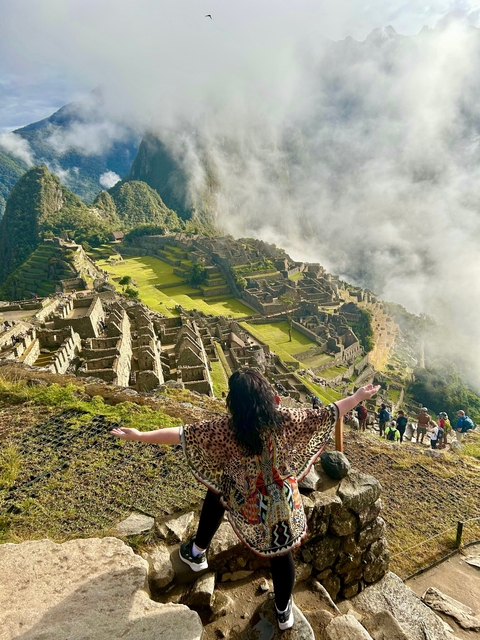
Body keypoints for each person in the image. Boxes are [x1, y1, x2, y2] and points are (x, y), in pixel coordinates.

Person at [111, 370, 380, 631]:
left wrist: (140, 435)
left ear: (234, 402)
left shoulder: (226, 429)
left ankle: (197, 552)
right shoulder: (285, 418)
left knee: (219, 489)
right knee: (281, 550)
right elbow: (328, 412)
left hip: (250, 503)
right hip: (285, 502)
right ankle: (284, 610)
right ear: (265, 395)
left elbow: (182, 434)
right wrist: (356, 397)